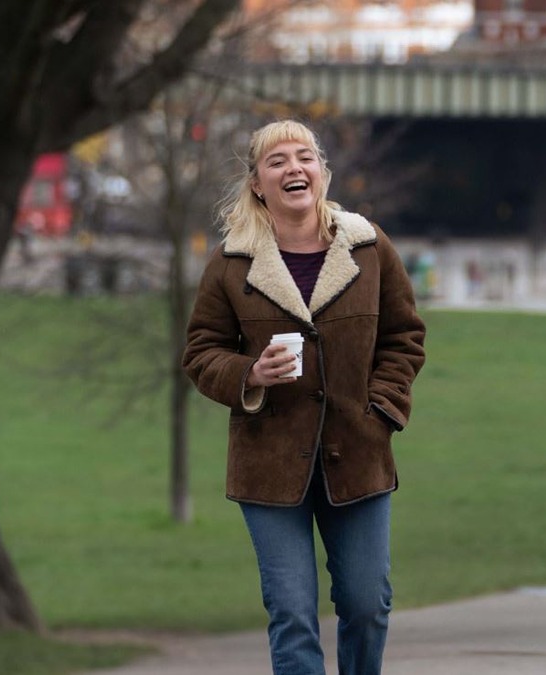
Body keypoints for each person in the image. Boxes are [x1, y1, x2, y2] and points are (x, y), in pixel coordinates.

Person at [181, 120, 426, 675]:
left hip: (358, 454)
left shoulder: (368, 247)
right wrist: (250, 373)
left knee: (367, 605)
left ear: (322, 172)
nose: (294, 168)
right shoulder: (231, 262)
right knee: (292, 613)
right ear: (257, 184)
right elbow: (200, 353)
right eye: (277, 161)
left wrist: (381, 410)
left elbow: (404, 337)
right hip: (268, 464)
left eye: (305, 157)